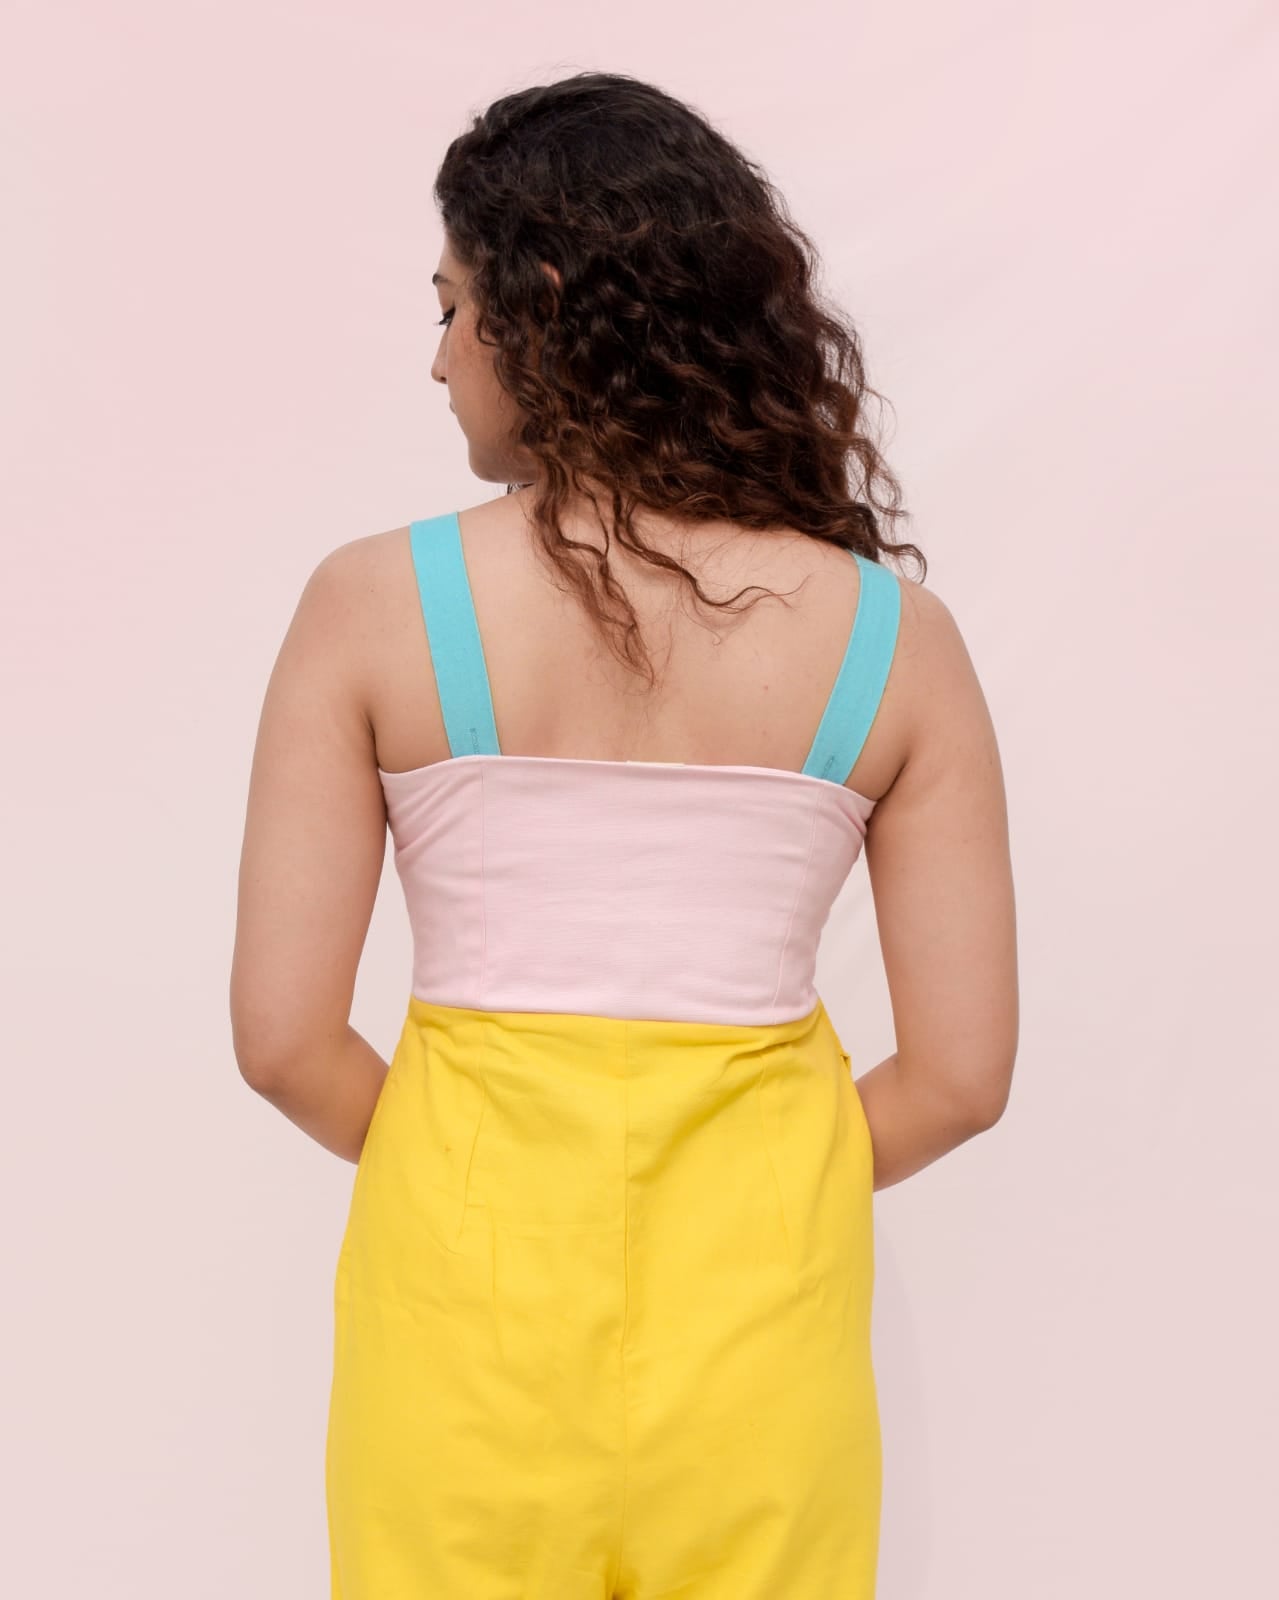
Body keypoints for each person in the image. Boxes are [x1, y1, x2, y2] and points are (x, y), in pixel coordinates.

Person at [230, 70, 1018, 1600]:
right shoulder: (894, 642)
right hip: (763, 1335)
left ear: (537, 303)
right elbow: (961, 1078)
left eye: (452, 308)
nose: (439, 357)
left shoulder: (372, 607)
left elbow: (283, 1040)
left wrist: (473, 1178)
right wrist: (760, 1187)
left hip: (458, 1330)